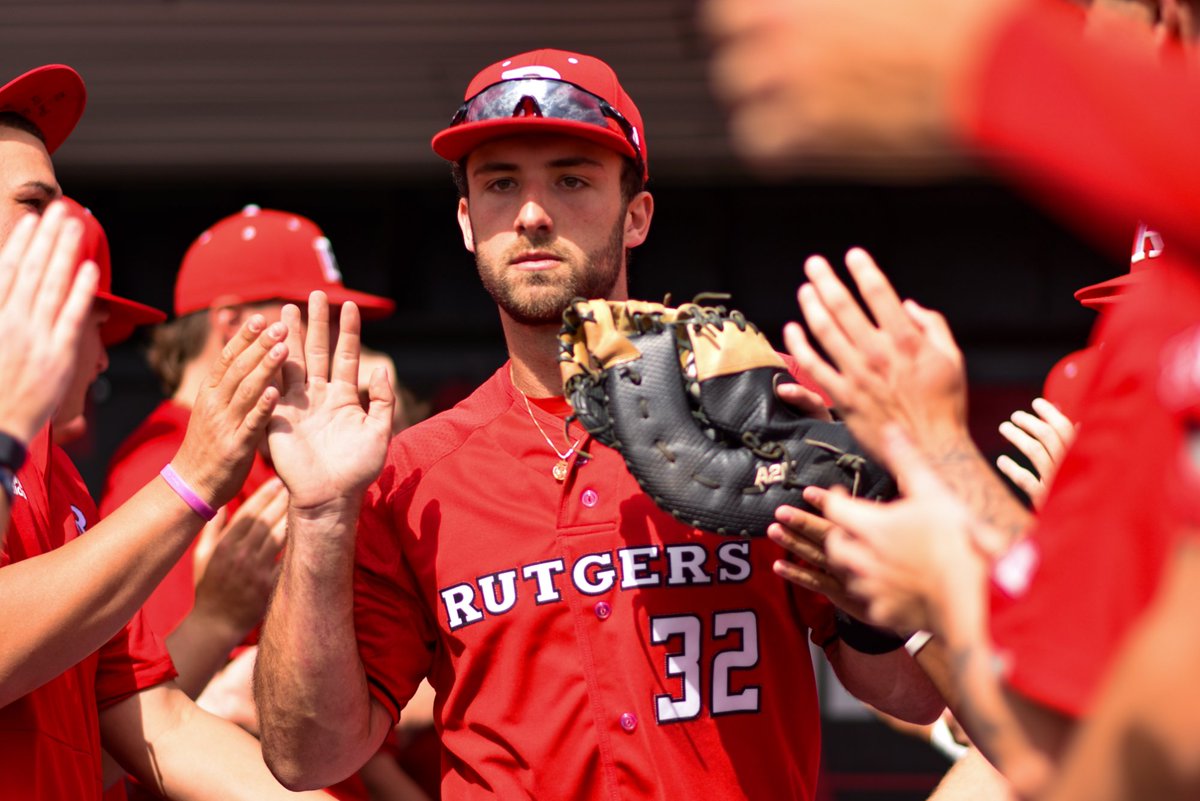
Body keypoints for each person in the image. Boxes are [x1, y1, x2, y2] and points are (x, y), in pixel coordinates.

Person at [254, 49, 943, 800]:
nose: (532, 213)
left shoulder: (761, 415)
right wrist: (319, 516)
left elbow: (913, 694)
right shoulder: (411, 475)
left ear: (636, 213)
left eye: (572, 178)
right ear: (465, 219)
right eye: (500, 183)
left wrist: (873, 581)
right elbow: (307, 758)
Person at [0, 64, 333, 800]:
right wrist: (189, 483)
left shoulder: (57, 477)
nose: (65, 232)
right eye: (34, 206)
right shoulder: (129, 453)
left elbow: (157, 723)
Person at [99, 206, 410, 800]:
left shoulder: (271, 453)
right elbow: (146, 714)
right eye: (314, 316)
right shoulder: (162, 468)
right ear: (232, 324)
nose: (342, 340)